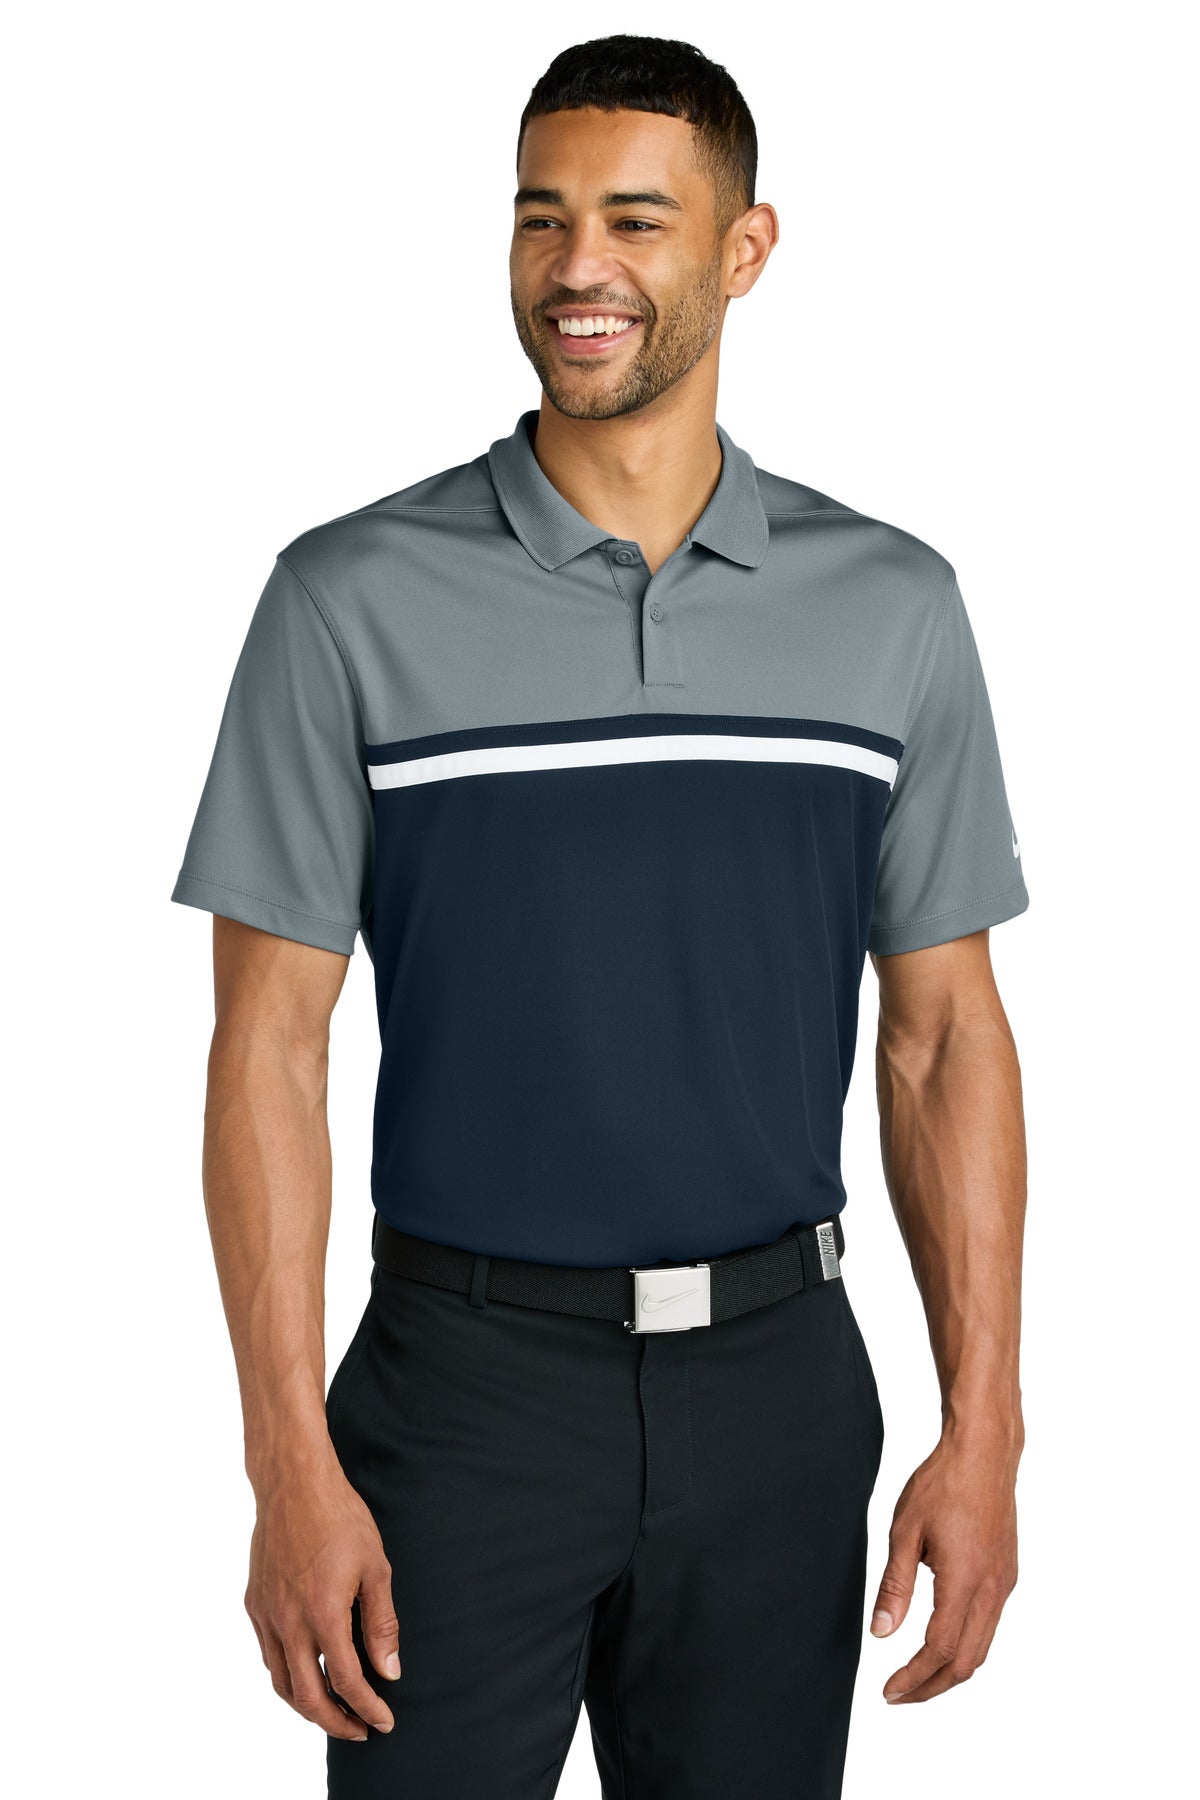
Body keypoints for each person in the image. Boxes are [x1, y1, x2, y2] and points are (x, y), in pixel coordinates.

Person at [170, 33, 1030, 1800]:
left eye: (637, 220)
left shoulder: (895, 608)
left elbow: (945, 1039)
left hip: (783, 1394)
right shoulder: (346, 600)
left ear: (745, 248)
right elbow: (268, 1046)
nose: (579, 266)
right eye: (542, 216)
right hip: (458, 1397)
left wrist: (987, 1425)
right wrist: (286, 1464)